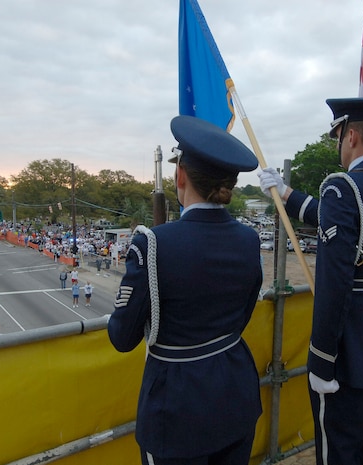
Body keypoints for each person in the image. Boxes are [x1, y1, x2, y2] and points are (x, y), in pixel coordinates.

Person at [259, 97, 363, 465]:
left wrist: (322, 360)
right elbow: (344, 221)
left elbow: (333, 286)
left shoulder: (342, 189)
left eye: (338, 135)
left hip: (350, 346)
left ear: (351, 136)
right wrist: (286, 194)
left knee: (341, 449)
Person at [108, 115, 262, 465]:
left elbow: (122, 336)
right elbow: (242, 315)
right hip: (236, 392)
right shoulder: (248, 239)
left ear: (180, 175)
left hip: (176, 408)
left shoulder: (153, 243)